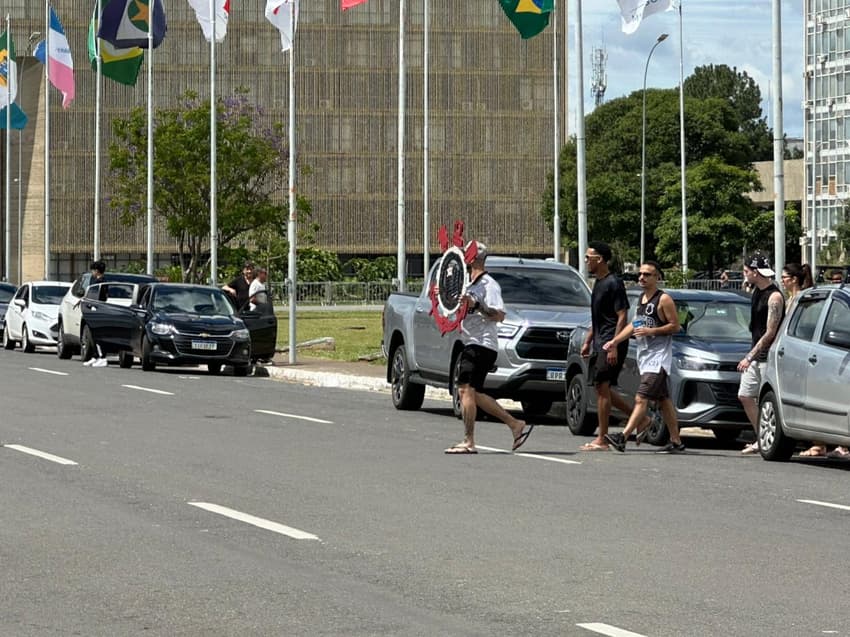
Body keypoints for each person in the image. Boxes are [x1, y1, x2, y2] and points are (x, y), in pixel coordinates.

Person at [444, 241, 533, 455]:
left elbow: (499, 315)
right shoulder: (468, 284)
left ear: (474, 257)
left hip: (481, 344)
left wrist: (478, 306)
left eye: (466, 254)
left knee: (465, 389)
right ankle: (515, 424)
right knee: (473, 393)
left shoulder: (489, 285)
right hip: (471, 341)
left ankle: (469, 440)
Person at [603, 261, 685, 453]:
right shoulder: (641, 298)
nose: (642, 277)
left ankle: (623, 437)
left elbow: (675, 326)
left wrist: (652, 331)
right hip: (645, 358)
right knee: (664, 401)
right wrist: (615, 341)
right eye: (640, 274)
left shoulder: (663, 299)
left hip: (659, 360)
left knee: (641, 399)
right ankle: (676, 441)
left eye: (647, 274)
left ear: (657, 277)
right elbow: (634, 325)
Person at [578, 241, 634, 451]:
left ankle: (602, 439)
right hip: (600, 341)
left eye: (588, 257)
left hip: (612, 341)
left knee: (602, 388)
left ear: (599, 259)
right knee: (602, 388)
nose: (585, 261)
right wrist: (588, 340)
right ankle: (639, 419)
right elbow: (597, 318)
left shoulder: (614, 283)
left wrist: (613, 345)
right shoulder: (598, 283)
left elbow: (622, 316)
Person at [737, 252, 785, 454]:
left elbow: (770, 332)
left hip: (767, 356)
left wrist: (750, 357)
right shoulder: (756, 290)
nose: (744, 275)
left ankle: (769, 439)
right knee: (745, 395)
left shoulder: (774, 297)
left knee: (767, 400)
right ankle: (760, 435)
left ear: (756, 272)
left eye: (747, 271)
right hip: (755, 352)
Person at [83, 260, 109, 368]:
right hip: (92, 310)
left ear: (97, 271)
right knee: (92, 335)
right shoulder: (95, 281)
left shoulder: (102, 283)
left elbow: (101, 298)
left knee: (98, 335)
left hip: (98, 311)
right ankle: (95, 356)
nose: (92, 272)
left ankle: (102, 357)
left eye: (93, 270)